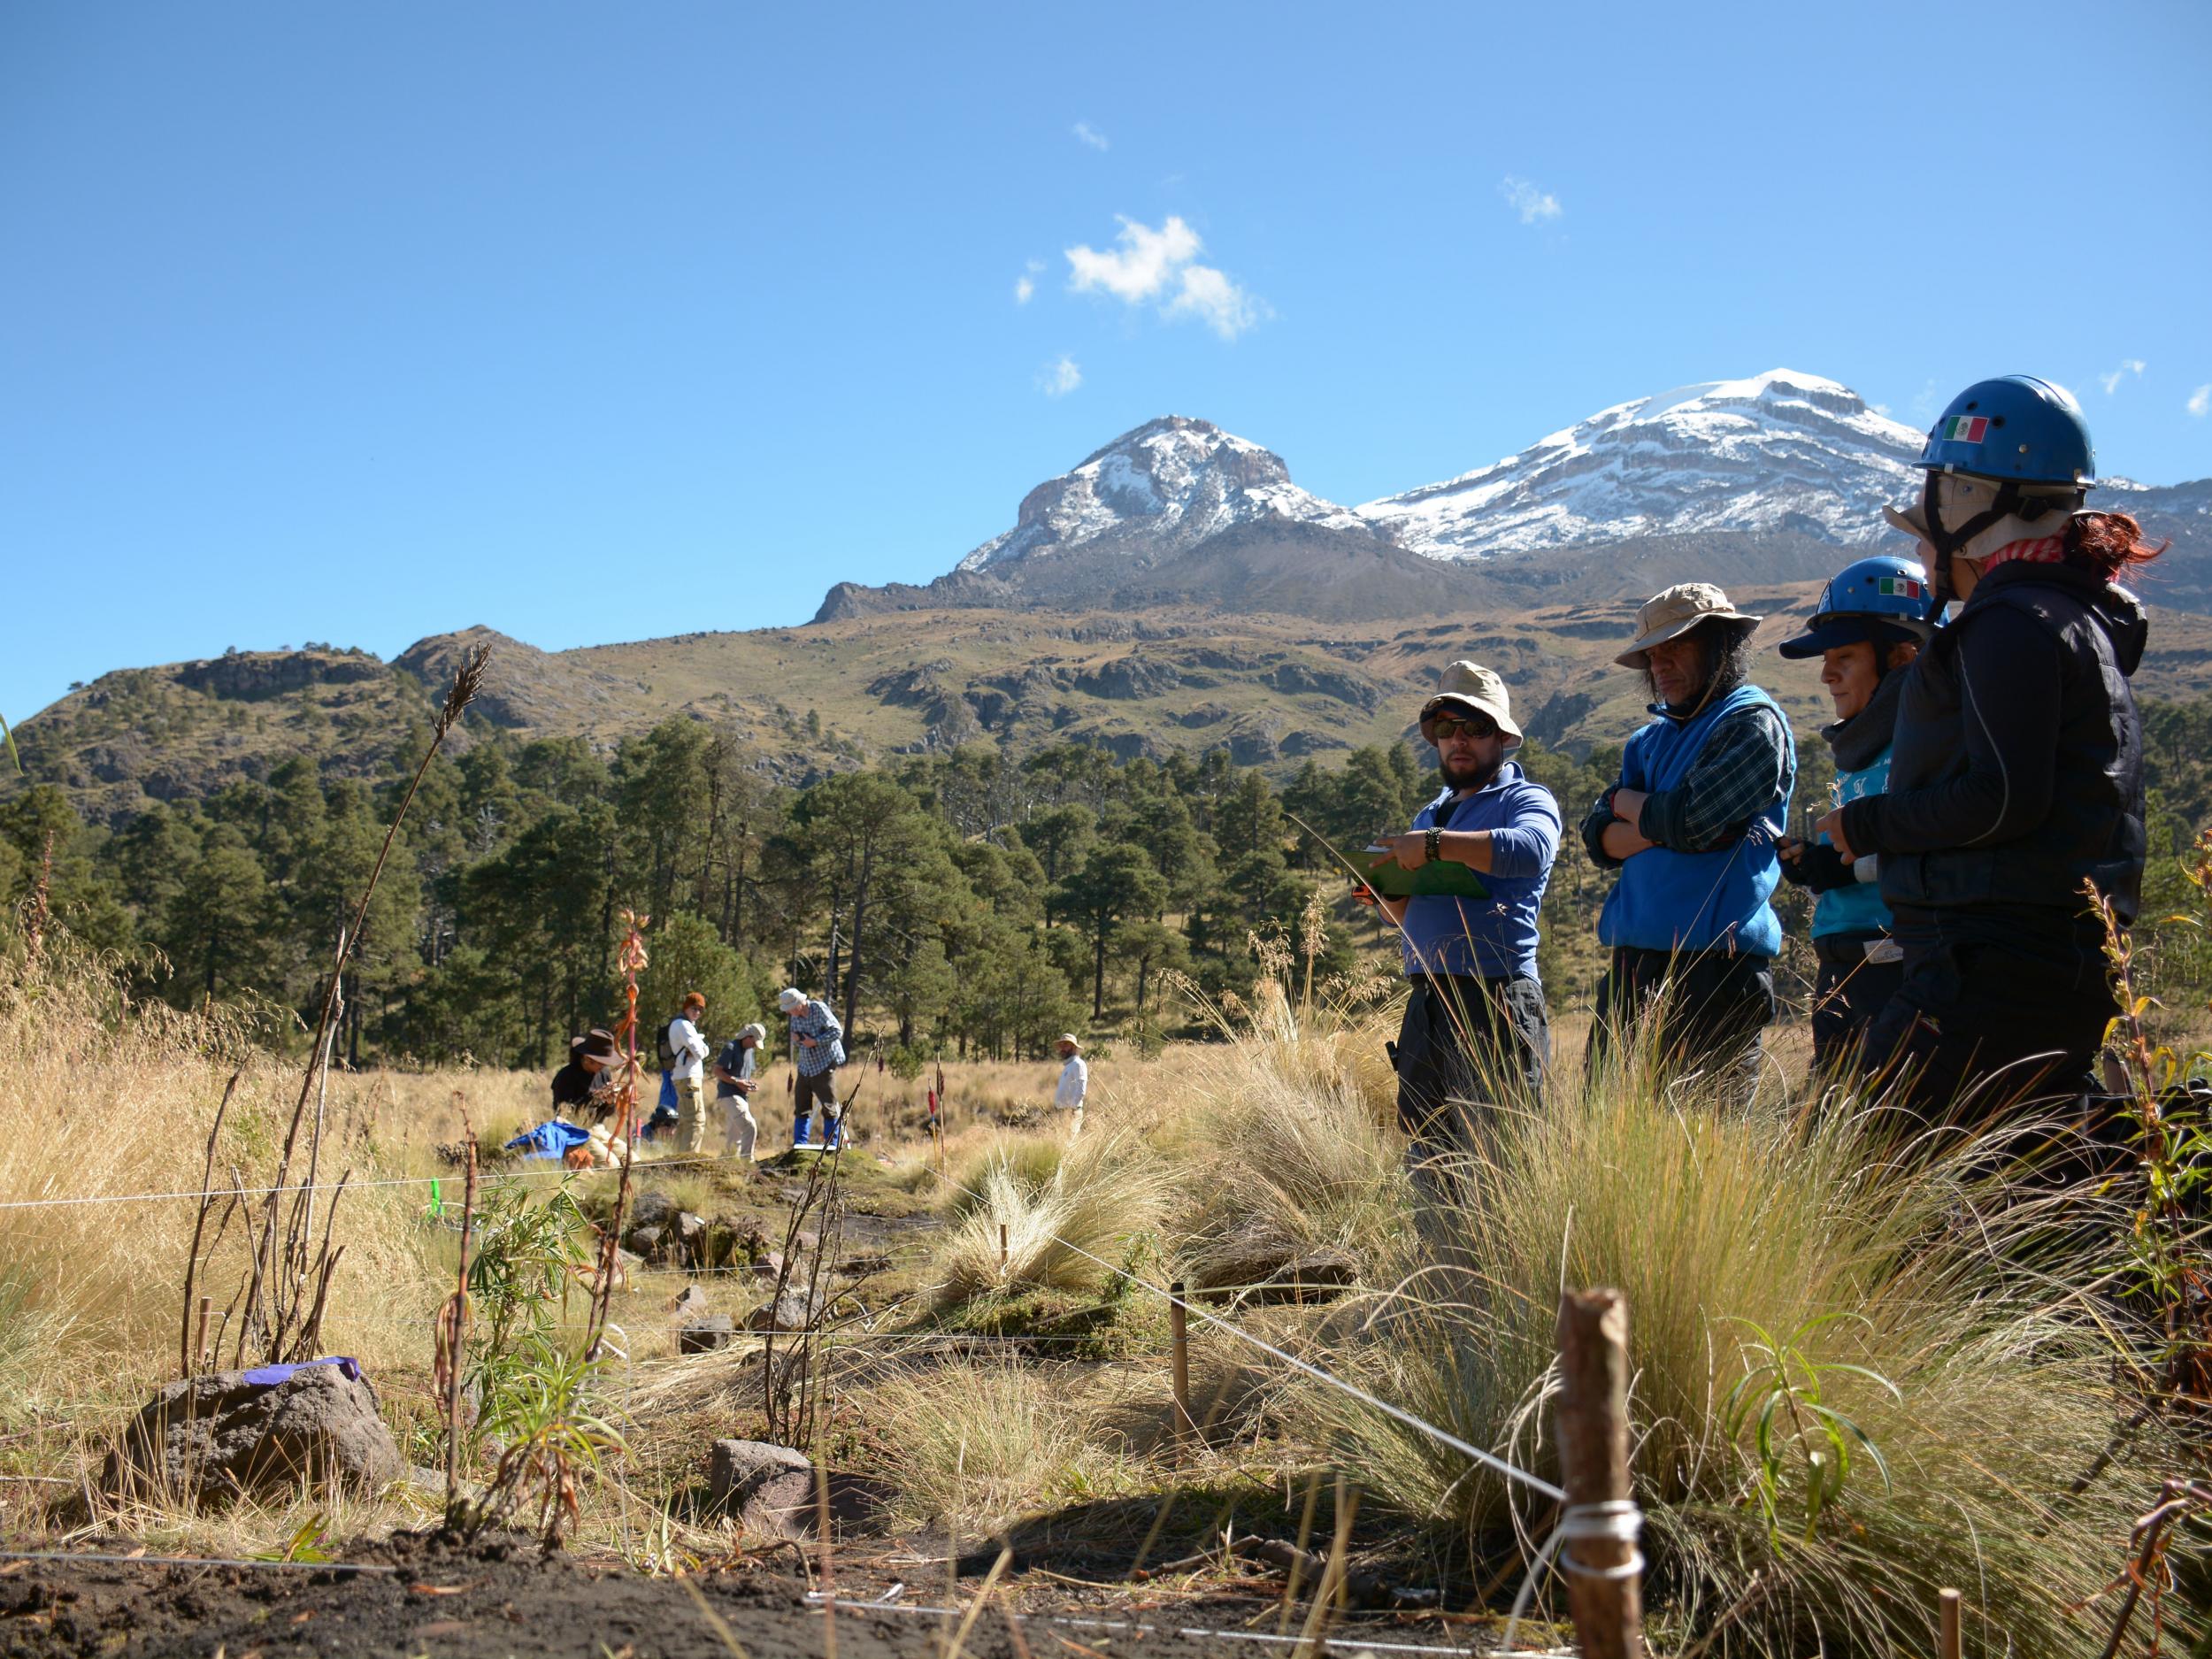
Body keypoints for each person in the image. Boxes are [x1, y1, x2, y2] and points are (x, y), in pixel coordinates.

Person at [1821, 375, 2156, 1122]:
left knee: (1861, 1160)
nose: (1921, 543)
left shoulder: (2011, 624)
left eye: (1930, 509)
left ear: (1974, 502)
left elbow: (2001, 796)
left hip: (1984, 965)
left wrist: (1870, 824)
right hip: (2031, 958)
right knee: (2018, 1182)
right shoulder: (2064, 616)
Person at [1580, 583, 1796, 1104]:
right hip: (1633, 966)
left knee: (1703, 1142)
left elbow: (1691, 822)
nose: (1661, 664)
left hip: (1715, 971)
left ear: (1722, 646)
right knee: (1604, 1132)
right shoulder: (1648, 740)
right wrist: (1657, 822)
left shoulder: (1752, 723)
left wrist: (1633, 808)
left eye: (1676, 646)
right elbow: (1597, 839)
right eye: (1653, 654)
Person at [1368, 661, 1560, 1172]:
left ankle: (1514, 1255)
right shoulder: (1430, 814)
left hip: (1496, 998)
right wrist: (1383, 894)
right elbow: (1406, 917)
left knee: (1505, 1154)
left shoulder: (1526, 798)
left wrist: (1432, 847)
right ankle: (1439, 1253)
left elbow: (1532, 850)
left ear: (1500, 738)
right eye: (1447, 729)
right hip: (1428, 1002)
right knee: (1428, 1154)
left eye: (1474, 729)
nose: (1459, 741)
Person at [1774, 556, 1932, 1071]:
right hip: (1843, 966)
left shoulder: (1929, 745)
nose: (1825, 675)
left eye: (1845, 657)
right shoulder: (1863, 745)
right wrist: (1816, 865)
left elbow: (1940, 854)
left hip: (1897, 971)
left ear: (1903, 657)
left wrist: (1841, 867)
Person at [779, 986, 846, 1149]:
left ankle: (832, 1144)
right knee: (801, 1105)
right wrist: (798, 1039)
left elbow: (837, 1031)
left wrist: (815, 1041)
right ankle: (800, 1144)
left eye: (790, 1009)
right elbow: (796, 1039)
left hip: (824, 1063)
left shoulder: (818, 1009)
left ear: (799, 1004)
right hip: (805, 1065)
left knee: (829, 1105)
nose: (789, 1013)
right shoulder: (795, 1017)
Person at [715, 1021, 767, 1170]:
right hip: (729, 1095)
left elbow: (744, 1075)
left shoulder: (749, 1052)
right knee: (750, 1127)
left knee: (734, 1138)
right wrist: (737, 1082)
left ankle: (729, 1167)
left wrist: (750, 1084)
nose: (754, 1046)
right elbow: (717, 1071)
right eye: (754, 1042)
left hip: (742, 1096)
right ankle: (747, 1163)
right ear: (747, 1037)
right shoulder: (731, 1048)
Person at [664, 992, 710, 1156]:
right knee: (696, 1121)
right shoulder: (684, 1025)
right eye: (694, 1008)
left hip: (683, 1078)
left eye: (700, 1010)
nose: (697, 1012)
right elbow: (700, 1052)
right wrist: (705, 1048)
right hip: (689, 1078)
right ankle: (689, 1161)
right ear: (686, 1007)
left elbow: (695, 1051)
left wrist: (698, 1048)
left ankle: (677, 1159)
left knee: (685, 1121)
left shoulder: (680, 1024)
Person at [550, 1028, 623, 1119]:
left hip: (595, 1127)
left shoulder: (604, 1074)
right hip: (569, 1128)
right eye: (601, 1063)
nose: (603, 1066)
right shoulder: (566, 1076)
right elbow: (562, 1111)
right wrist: (594, 1098)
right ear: (587, 1059)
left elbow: (607, 1113)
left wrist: (610, 1102)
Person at [1053, 1033, 1088, 1138]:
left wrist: (1071, 1109)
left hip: (1071, 1113)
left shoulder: (1078, 1064)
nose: (1062, 1048)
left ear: (1073, 1047)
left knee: (1069, 1145)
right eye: (1061, 1045)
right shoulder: (1069, 1066)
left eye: (1066, 1045)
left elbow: (1081, 1089)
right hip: (1063, 1113)